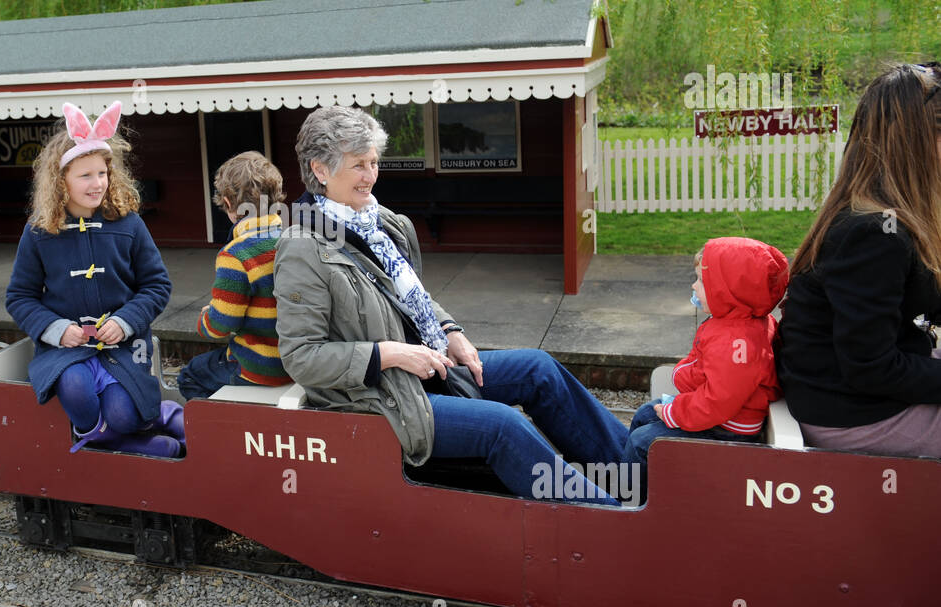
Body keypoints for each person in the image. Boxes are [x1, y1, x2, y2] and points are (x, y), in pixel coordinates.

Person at [274, 105, 633, 504]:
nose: (371, 176)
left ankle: (637, 477)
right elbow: (301, 356)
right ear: (320, 169)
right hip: (379, 397)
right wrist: (387, 355)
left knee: (539, 369)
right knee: (504, 425)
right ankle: (605, 519)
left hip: (428, 368)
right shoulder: (302, 247)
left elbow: (412, 299)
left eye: (374, 162)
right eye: (359, 165)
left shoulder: (383, 224)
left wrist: (449, 331)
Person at [779, 62, 941, 457]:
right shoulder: (875, 234)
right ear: (919, 141)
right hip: (852, 414)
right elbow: (872, 367)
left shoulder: (885, 219)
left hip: (853, 397)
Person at [5, 101, 182, 457]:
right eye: (84, 176)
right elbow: (19, 297)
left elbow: (157, 286)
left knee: (122, 414)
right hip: (64, 351)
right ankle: (130, 443)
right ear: (60, 181)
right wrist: (56, 329)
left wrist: (125, 321)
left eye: (102, 173)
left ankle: (141, 426)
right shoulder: (39, 233)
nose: (96, 183)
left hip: (123, 348)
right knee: (75, 389)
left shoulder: (129, 224)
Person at [623, 238, 788, 479]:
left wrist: (675, 412)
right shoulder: (733, 320)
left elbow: (719, 401)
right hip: (717, 415)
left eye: (702, 280)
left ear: (729, 290)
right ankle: (626, 471)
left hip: (727, 429)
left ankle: (630, 501)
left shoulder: (738, 343)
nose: (694, 286)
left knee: (643, 443)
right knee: (644, 414)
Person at [178, 151, 291, 400]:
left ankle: (224, 432)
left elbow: (222, 325)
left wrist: (206, 318)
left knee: (190, 376)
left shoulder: (236, 254)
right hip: (297, 364)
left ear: (228, 204)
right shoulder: (293, 239)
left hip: (258, 368)